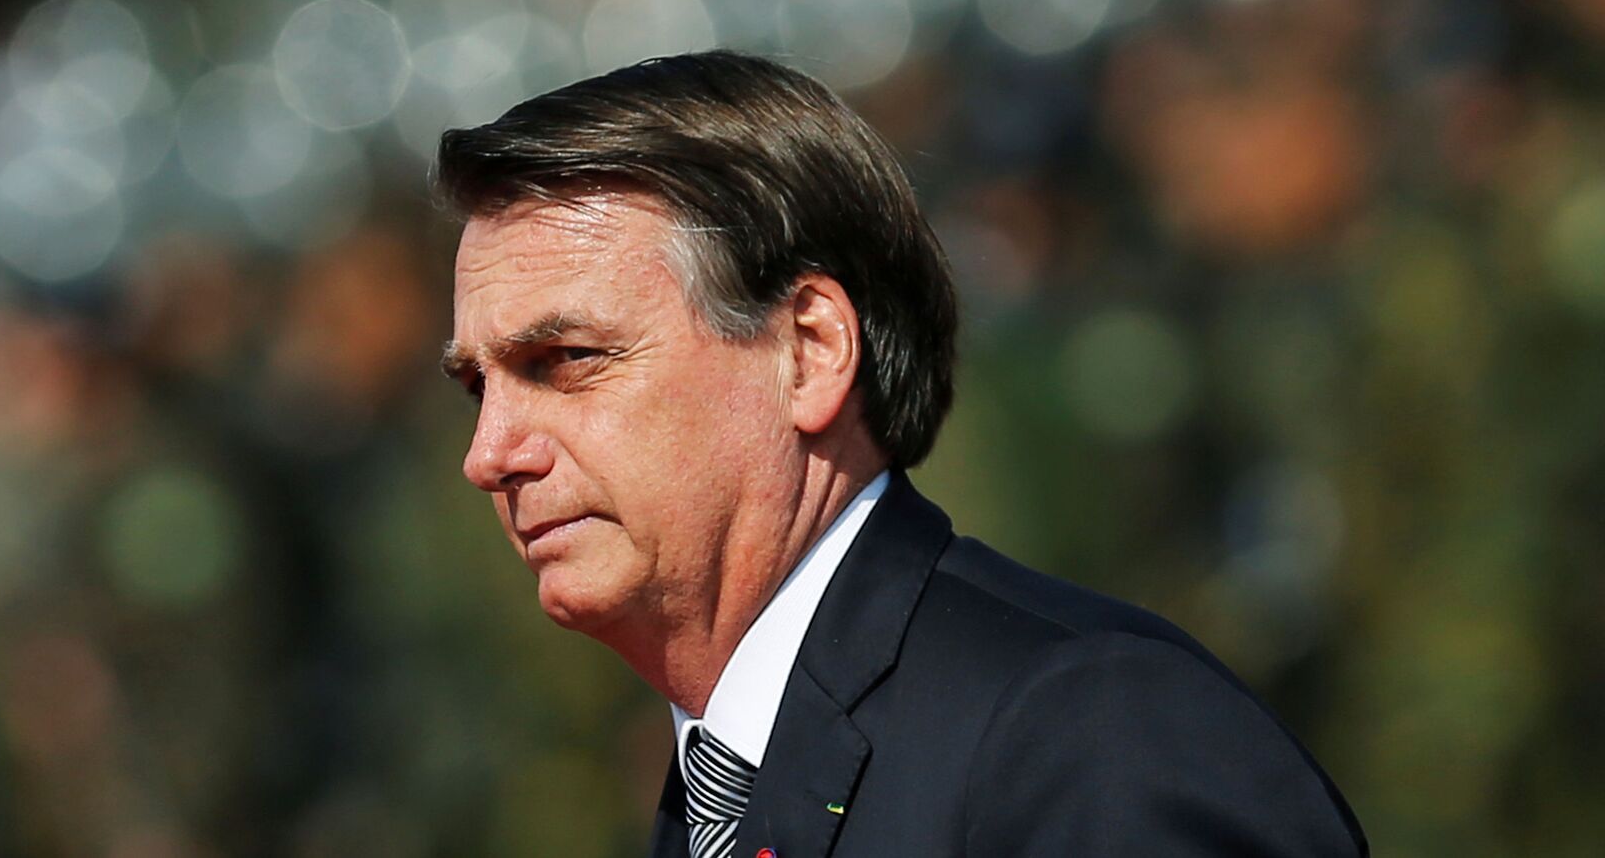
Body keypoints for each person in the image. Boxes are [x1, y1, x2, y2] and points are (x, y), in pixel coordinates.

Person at [434, 51, 1368, 857]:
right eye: (479, 387)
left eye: (568, 359)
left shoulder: (1090, 732)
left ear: (809, 351)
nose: (489, 455)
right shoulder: (715, 791)